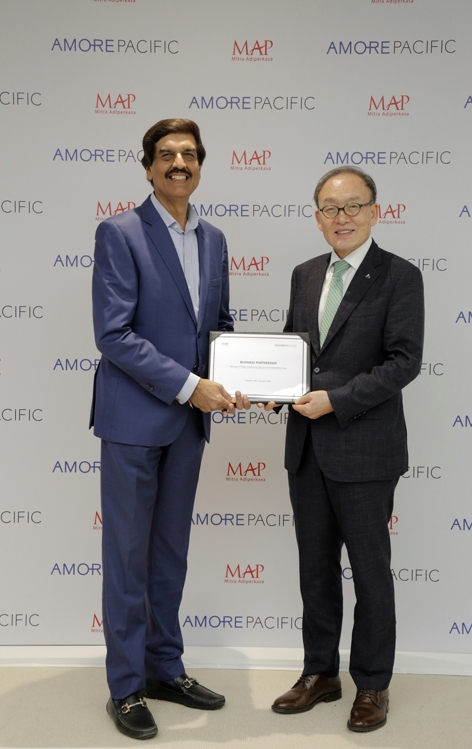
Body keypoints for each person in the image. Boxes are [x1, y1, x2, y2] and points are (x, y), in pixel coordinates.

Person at [90, 118, 249, 740]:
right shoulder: (119, 232)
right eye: (166, 154)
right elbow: (114, 334)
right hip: (134, 420)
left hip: (189, 425)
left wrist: (240, 378)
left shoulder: (214, 239)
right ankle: (126, 688)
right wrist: (190, 385)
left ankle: (164, 667)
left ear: (200, 164)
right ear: (149, 166)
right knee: (127, 559)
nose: (178, 163)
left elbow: (219, 325)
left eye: (188, 154)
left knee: (168, 555)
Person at [268, 166, 424, 732]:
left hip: (365, 450)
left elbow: (404, 362)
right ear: (317, 217)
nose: (342, 217)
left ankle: (373, 684)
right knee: (315, 570)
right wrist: (272, 389)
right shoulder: (305, 274)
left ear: (375, 211)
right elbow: (295, 348)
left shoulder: (400, 276)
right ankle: (320, 673)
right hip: (307, 448)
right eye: (331, 209)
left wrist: (336, 400)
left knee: (371, 574)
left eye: (353, 206)